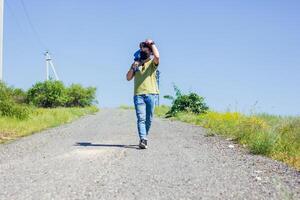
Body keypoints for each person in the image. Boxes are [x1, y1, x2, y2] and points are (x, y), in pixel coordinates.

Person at [126, 39, 160, 149]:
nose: (143, 51)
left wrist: (152, 44)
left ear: (150, 52)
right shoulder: (136, 63)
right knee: (141, 118)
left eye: (145, 50)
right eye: (141, 49)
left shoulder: (152, 63)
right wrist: (133, 67)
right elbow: (128, 78)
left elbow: (157, 57)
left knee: (148, 119)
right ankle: (143, 139)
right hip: (138, 95)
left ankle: (144, 135)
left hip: (151, 94)